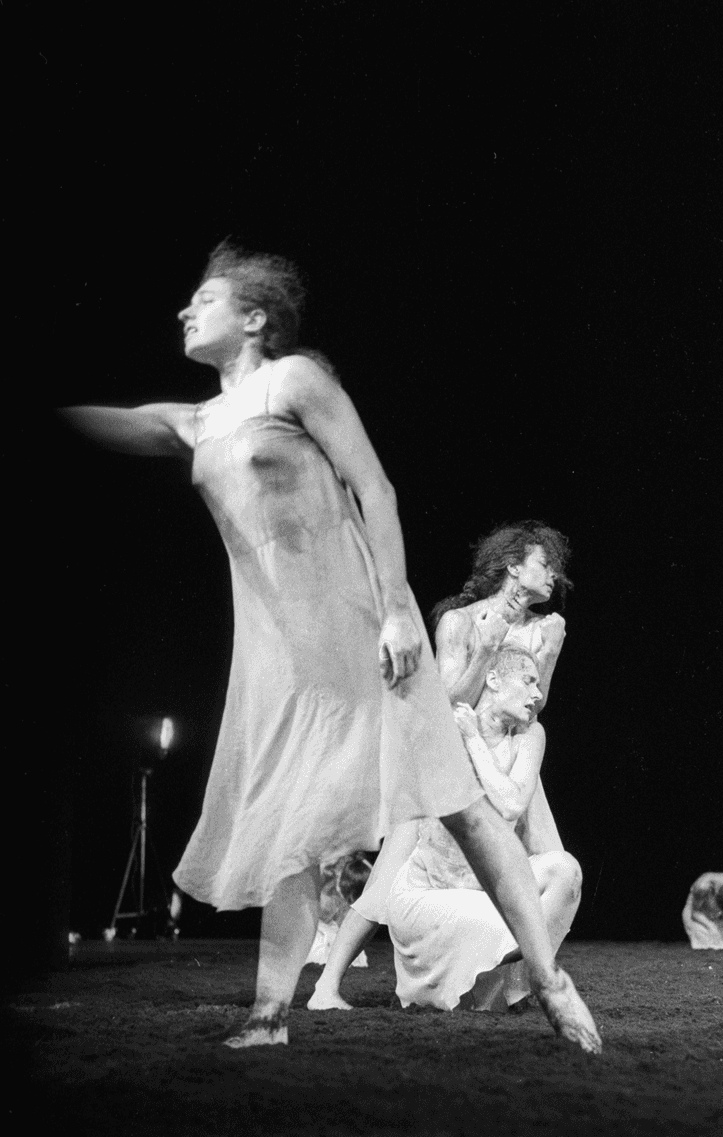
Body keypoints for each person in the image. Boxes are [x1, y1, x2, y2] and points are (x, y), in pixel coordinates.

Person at [60, 241, 601, 1055]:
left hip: (363, 628)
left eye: (204, 300)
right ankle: (268, 1015)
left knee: (457, 802)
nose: (184, 311)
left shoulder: (295, 381)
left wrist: (397, 610)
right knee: (294, 818)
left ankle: (550, 980)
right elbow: (118, 422)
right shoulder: (197, 421)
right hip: (284, 654)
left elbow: (374, 487)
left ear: (255, 318)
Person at [308, 521, 573, 1009]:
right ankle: (327, 985)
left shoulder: (543, 629)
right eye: (545, 563)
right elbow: (446, 704)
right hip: (449, 765)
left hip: (508, 762)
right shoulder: (460, 623)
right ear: (514, 567)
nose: (554, 574)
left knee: (554, 869)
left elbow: (534, 707)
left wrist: (550, 655)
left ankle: (516, 988)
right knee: (390, 873)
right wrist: (486, 649)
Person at [387, 646, 582, 1012]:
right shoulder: (446, 731)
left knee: (565, 872)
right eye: (528, 681)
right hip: (433, 894)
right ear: (493, 679)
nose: (537, 694)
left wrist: (475, 739)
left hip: (483, 889)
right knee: (508, 921)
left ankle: (520, 985)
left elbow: (511, 803)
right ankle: (492, 977)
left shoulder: (529, 736)